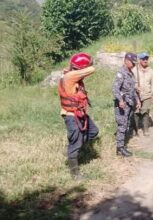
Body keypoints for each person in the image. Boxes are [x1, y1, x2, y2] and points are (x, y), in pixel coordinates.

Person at [58, 52, 99, 180]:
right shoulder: (71, 76)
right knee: (75, 142)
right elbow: (92, 68)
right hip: (71, 116)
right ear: (81, 69)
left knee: (93, 131)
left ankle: (73, 149)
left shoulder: (72, 75)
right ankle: (75, 174)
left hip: (80, 113)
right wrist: (86, 66)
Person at [113, 52, 141, 157]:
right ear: (126, 61)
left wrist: (137, 100)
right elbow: (115, 89)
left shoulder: (131, 73)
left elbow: (133, 89)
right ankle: (120, 149)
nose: (134, 65)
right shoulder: (121, 73)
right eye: (132, 63)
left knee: (127, 124)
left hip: (130, 103)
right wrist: (120, 100)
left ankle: (123, 145)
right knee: (122, 126)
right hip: (122, 104)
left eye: (134, 63)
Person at [133, 52, 153, 136]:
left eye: (146, 58)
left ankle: (145, 129)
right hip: (136, 96)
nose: (145, 60)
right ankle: (135, 130)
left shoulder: (151, 71)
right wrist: (136, 87)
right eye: (143, 59)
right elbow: (130, 82)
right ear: (139, 60)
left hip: (147, 95)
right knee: (136, 112)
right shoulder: (134, 70)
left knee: (145, 111)